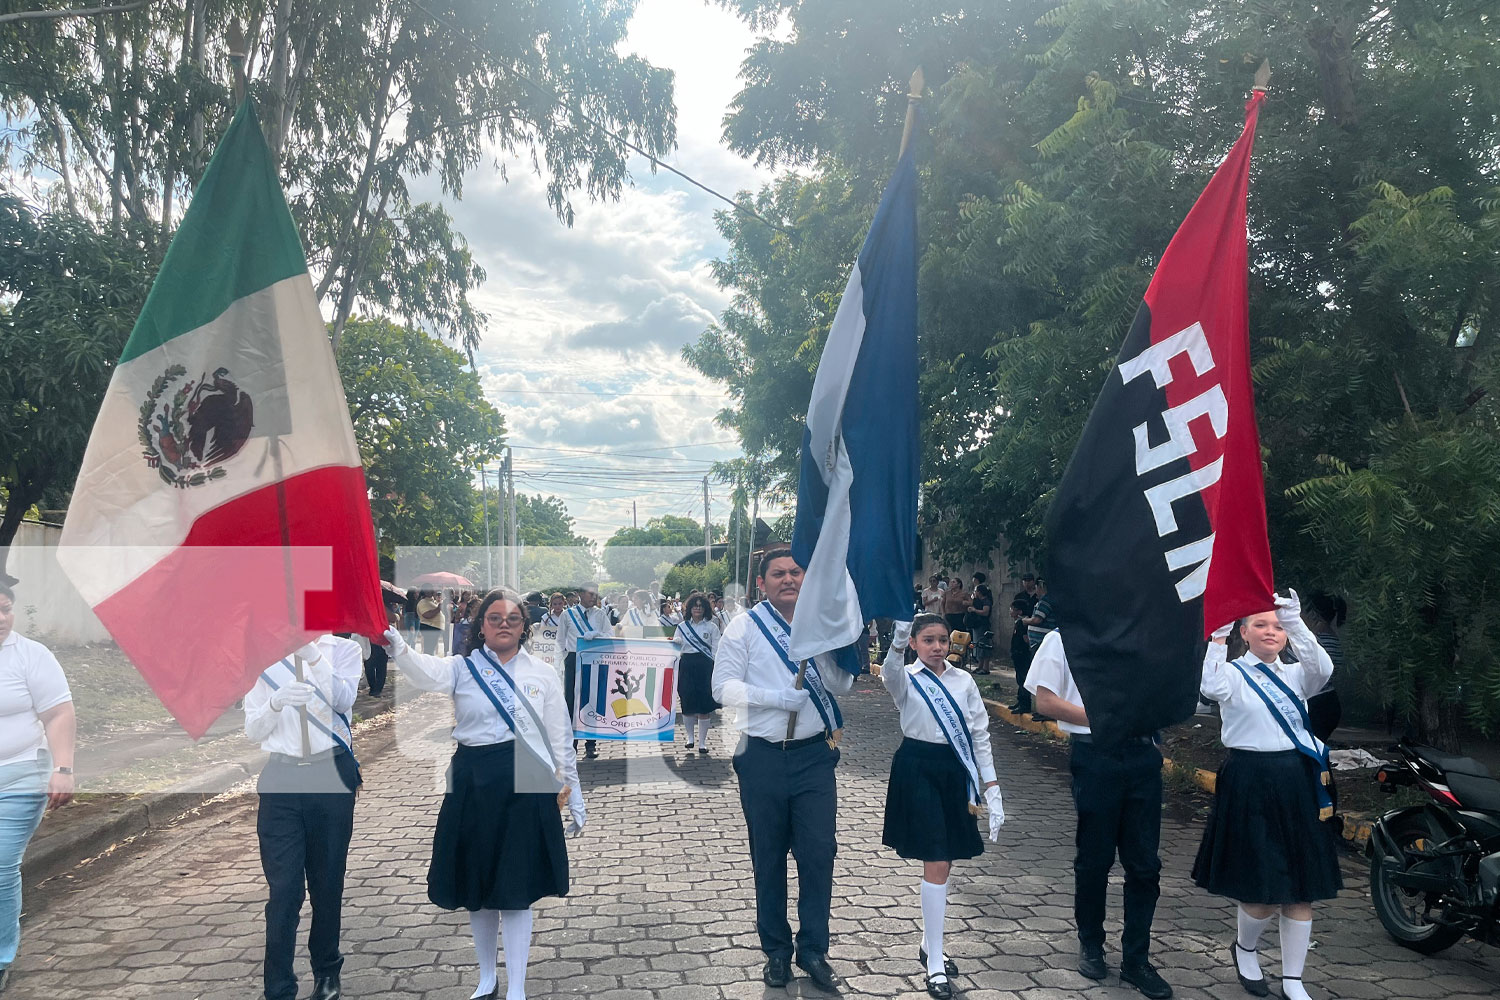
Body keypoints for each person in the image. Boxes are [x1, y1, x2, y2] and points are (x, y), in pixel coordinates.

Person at [384, 591, 585, 1000]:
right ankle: (486, 978)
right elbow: (426, 673)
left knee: (516, 886)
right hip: (473, 776)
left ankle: (518, 988)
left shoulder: (543, 673)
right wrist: (399, 647)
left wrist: (574, 794)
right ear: (481, 626)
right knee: (478, 887)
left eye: (512, 618)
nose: (503, 624)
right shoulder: (463, 668)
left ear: (524, 626)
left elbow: (561, 737)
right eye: (494, 618)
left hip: (525, 777)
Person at [712, 549, 855, 993]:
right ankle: (776, 952)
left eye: (796, 572)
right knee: (768, 857)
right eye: (779, 573)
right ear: (762, 583)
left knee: (819, 854)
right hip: (763, 758)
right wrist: (776, 697)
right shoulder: (744, 627)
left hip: (814, 757)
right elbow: (722, 688)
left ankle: (813, 950)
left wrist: (832, 650)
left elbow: (842, 684)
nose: (789, 579)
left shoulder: (819, 626)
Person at [1194, 592, 1339, 1000]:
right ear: (1245, 632)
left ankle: (1293, 979)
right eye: (1261, 625)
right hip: (1249, 779)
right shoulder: (1234, 674)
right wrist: (1217, 637)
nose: (1270, 632)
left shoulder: (1297, 675)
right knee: (1260, 890)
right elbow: (1209, 685)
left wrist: (1296, 623)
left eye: (1276, 627)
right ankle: (1245, 949)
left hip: (1296, 779)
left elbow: (1322, 669)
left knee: (1300, 886)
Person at [1025, 630, 1172, 999]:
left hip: (1142, 757)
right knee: (1095, 859)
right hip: (1096, 756)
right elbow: (1044, 701)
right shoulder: (1063, 638)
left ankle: (1136, 959)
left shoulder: (1141, 636)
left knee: (1144, 864)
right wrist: (1103, 720)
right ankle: (1091, 943)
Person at [877, 615, 1005, 999]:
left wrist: (992, 788)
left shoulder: (963, 681)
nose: (936, 646)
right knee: (935, 857)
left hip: (954, 771)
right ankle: (934, 962)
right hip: (917, 769)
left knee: (945, 860)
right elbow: (889, 669)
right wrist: (898, 638)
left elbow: (979, 734)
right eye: (928, 639)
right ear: (915, 643)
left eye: (942, 640)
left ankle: (928, 943)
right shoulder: (904, 678)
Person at [243, 634, 363, 1000]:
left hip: (331, 773)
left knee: (327, 883)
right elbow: (252, 731)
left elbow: (343, 699)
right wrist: (275, 703)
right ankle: (278, 986)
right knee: (284, 890)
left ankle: (328, 971)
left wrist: (311, 654)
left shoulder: (344, 650)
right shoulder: (261, 654)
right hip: (282, 777)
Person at [0, 584, 75, 994]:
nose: (1, 619)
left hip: (21, 775)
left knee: (0, 864)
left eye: (6, 610)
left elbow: (59, 712)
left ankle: (0, 956)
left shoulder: (31, 656)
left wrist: (63, 768)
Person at [554, 583, 611, 760]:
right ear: (580, 594)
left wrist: (596, 635)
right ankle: (571, 744)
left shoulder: (601, 615)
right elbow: (560, 640)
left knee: (592, 701)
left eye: (595, 594)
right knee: (571, 702)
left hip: (594, 659)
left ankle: (591, 743)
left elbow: (609, 635)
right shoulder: (567, 614)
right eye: (590, 594)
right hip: (573, 659)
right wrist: (561, 664)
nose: (593, 597)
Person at [673, 595, 721, 755]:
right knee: (687, 701)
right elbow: (674, 646)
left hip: (705, 666)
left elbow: (716, 648)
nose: (698, 608)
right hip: (686, 664)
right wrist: (676, 643)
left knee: (704, 704)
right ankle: (689, 738)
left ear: (705, 608)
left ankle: (702, 742)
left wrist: (714, 666)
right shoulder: (682, 627)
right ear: (690, 608)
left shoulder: (712, 627)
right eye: (695, 605)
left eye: (701, 606)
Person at [1007, 597, 1035, 715]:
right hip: (1017, 654)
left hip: (1022, 654)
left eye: (1012, 609)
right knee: (1019, 678)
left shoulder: (1022, 623)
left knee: (1023, 678)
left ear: (1019, 611)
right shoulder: (1019, 622)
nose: (1010, 611)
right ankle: (1020, 700)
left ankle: (1025, 704)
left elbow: (1026, 639)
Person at [966, 574, 995, 675]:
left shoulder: (986, 600)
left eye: (976, 591)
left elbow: (985, 612)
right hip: (977, 625)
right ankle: (980, 666)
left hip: (983, 625)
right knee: (978, 646)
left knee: (984, 646)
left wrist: (974, 610)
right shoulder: (978, 601)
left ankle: (986, 668)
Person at [1023, 578, 1056, 649]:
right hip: (1040, 643)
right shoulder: (1044, 600)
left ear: (1040, 587)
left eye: (1036, 588)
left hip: (1042, 643)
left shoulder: (1045, 601)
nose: (1035, 591)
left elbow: (1037, 620)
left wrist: (1025, 620)